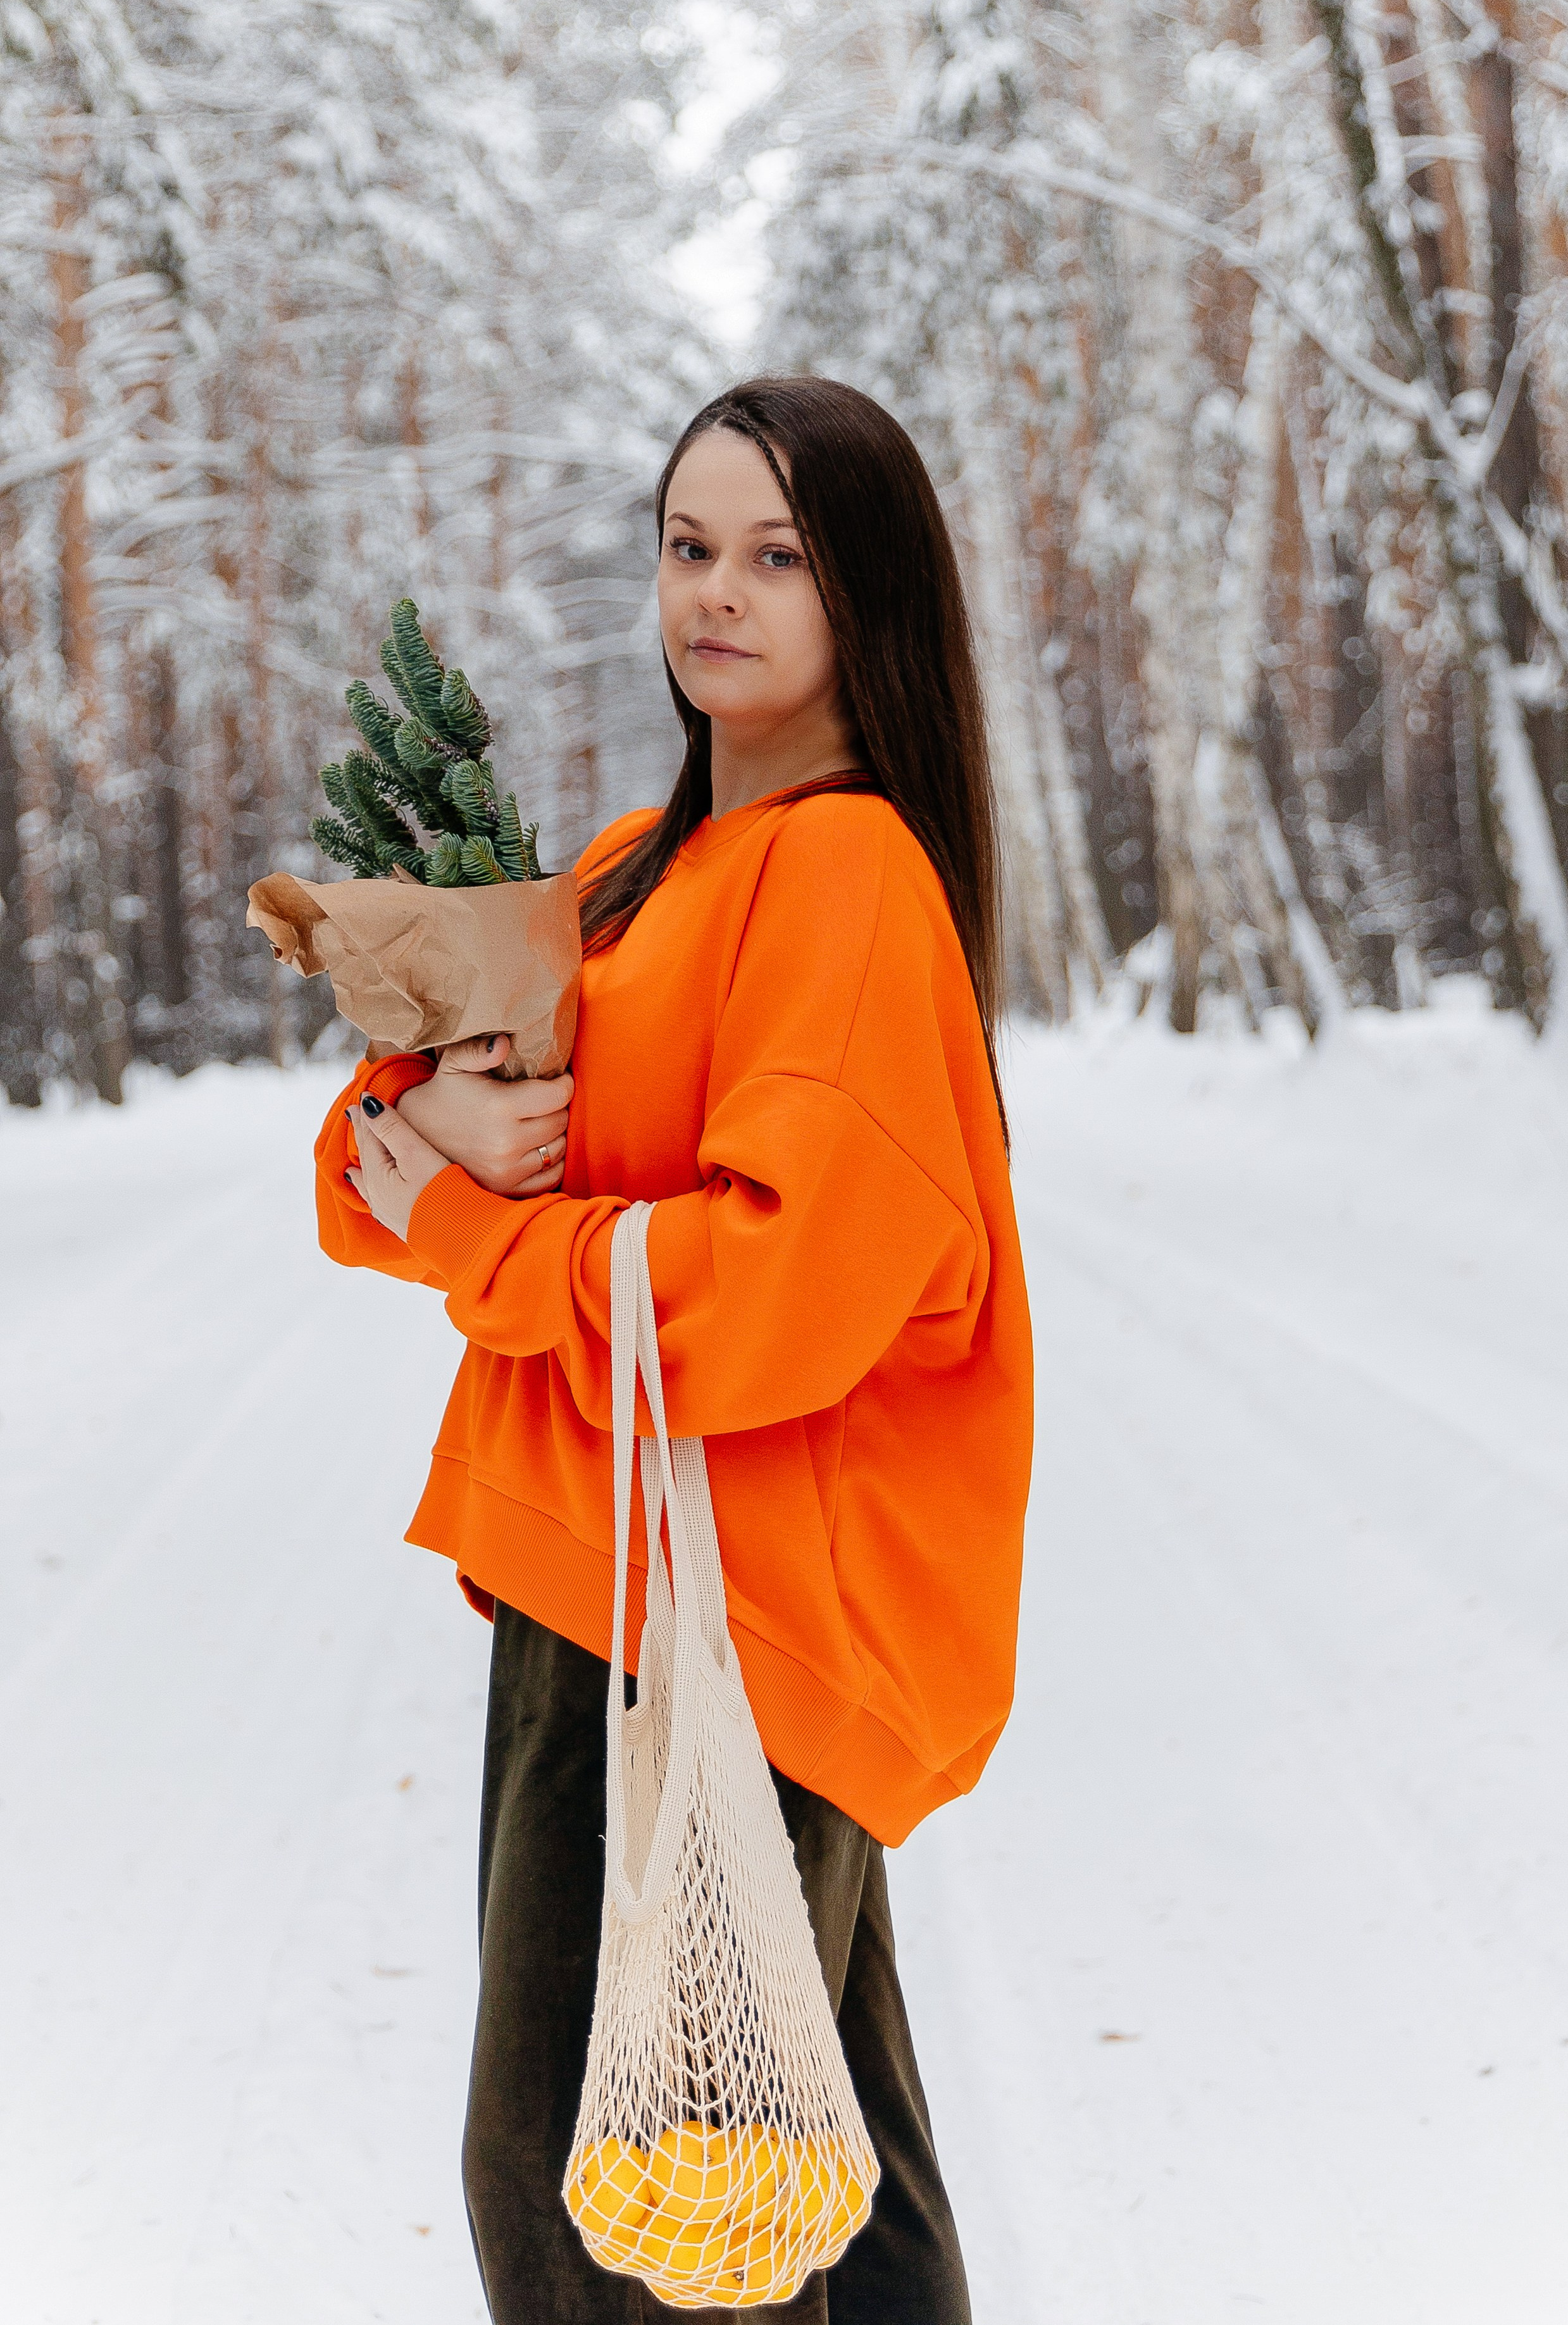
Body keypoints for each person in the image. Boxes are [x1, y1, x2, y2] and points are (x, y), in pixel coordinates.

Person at [314, 375, 1033, 2324]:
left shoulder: (847, 876)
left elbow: (776, 1293)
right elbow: (376, 1157)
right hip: (623, 1579)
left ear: (867, 590)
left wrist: (473, 1216)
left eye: (780, 554)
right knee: (805, 2182)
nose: (716, 592)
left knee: (605, 2200)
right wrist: (433, 1136)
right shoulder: (643, 867)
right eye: (690, 543)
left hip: (731, 1621)